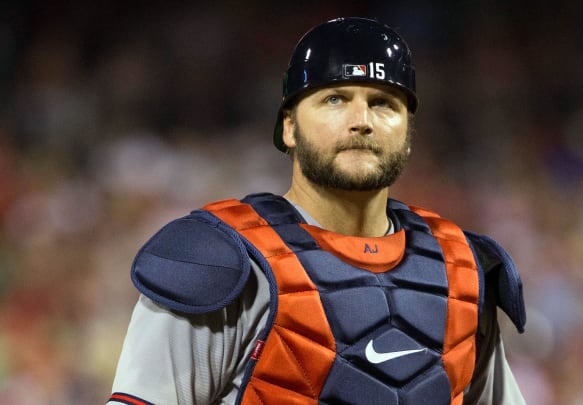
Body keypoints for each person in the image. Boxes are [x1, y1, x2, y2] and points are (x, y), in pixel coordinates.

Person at [108, 17, 526, 405]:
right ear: (289, 126)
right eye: (335, 99)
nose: (361, 120)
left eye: (383, 103)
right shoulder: (218, 259)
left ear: (409, 135)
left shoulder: (463, 270)